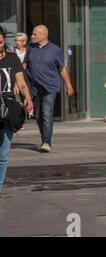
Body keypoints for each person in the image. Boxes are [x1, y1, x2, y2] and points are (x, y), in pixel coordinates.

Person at [25, 25, 74, 153]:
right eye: (33, 34)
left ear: (44, 35)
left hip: (50, 87)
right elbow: (24, 65)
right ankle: (44, 139)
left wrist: (68, 85)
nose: (32, 36)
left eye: (35, 34)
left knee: (46, 113)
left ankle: (46, 142)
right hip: (34, 87)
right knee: (38, 115)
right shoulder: (30, 47)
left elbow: (62, 69)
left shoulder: (55, 50)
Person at [0, 34, 34, 196]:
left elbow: (21, 82)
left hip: (7, 110)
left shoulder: (13, 59)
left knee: (3, 153)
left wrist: (27, 97)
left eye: (0, 39)